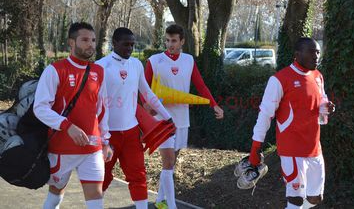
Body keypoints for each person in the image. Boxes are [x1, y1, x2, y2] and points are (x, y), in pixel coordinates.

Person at [243, 37, 335, 208]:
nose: (316, 56)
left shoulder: (318, 76)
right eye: (311, 52)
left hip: (314, 148)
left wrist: (326, 108)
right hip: (292, 150)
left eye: (318, 52)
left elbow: (321, 103)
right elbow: (265, 115)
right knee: (296, 199)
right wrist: (255, 147)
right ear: (297, 54)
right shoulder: (279, 79)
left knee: (315, 198)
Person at [144, 24, 224, 209]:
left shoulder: (188, 60)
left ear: (182, 41)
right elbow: (143, 88)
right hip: (161, 121)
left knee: (171, 163)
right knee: (168, 161)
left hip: (181, 119)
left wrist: (214, 104)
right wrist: (146, 107)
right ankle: (171, 206)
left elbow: (201, 85)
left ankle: (159, 201)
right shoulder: (154, 61)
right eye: (167, 40)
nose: (170, 44)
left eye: (174, 41)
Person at [33, 22, 113, 209]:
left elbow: (102, 109)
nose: (90, 44)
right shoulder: (55, 70)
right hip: (61, 149)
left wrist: (106, 141)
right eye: (84, 40)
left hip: (92, 148)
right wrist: (67, 126)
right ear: (71, 42)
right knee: (55, 196)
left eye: (93, 40)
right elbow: (40, 108)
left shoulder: (98, 71)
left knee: (96, 200)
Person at [96, 27, 173, 209]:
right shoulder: (100, 66)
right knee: (102, 177)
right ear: (114, 43)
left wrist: (167, 116)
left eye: (132, 44)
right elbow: (94, 103)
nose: (130, 48)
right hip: (107, 134)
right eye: (126, 44)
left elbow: (147, 93)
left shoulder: (136, 64)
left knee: (138, 175)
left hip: (131, 132)